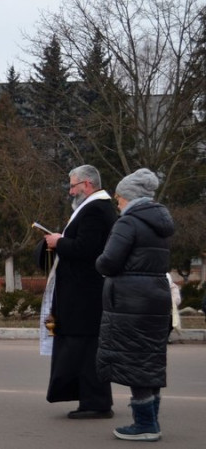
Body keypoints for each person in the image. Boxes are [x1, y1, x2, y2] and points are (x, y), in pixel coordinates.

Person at [95, 168, 174, 442]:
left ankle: (145, 425)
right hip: (156, 296)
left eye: (118, 197)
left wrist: (99, 262)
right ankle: (151, 419)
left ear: (129, 197)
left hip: (131, 300)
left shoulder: (128, 223)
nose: (117, 203)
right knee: (149, 358)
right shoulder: (160, 223)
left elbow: (109, 261)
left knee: (135, 361)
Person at [40, 165, 117, 419]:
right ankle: (90, 400)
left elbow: (87, 249)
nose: (70, 191)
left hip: (85, 296)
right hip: (82, 294)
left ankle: (96, 403)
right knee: (82, 348)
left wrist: (59, 242)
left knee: (86, 349)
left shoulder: (95, 209)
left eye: (73, 186)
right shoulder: (94, 207)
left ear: (87, 185)